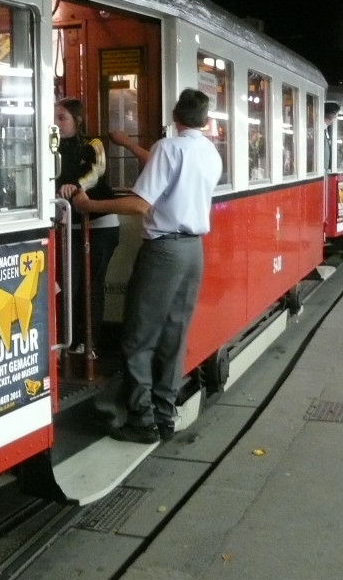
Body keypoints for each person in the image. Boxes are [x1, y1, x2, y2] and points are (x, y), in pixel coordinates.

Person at [71, 89, 222, 444]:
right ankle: (166, 415)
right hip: (192, 252)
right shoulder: (208, 152)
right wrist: (127, 145)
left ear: (174, 115)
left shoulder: (168, 149)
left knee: (138, 337)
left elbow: (140, 205)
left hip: (164, 252)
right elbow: (165, 170)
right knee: (173, 335)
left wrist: (89, 205)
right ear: (204, 119)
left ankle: (142, 420)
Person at [54, 98, 119, 358]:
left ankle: (89, 341)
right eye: (55, 118)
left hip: (98, 225)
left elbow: (96, 171)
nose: (57, 124)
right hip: (69, 225)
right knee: (68, 284)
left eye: (62, 118)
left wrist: (76, 185)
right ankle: (66, 341)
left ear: (77, 120)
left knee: (90, 283)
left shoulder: (92, 145)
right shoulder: (52, 147)